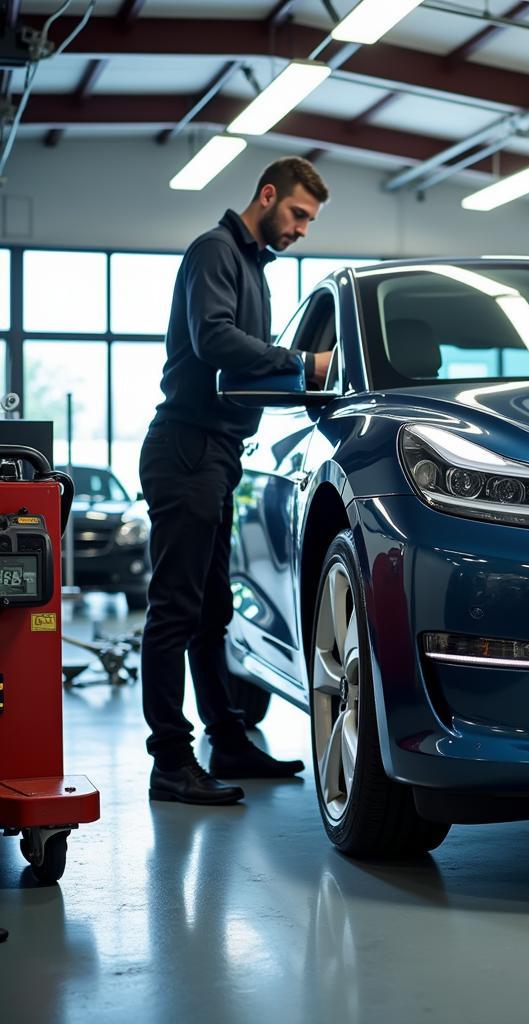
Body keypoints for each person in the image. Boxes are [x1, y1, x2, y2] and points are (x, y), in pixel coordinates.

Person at [140, 157, 332, 805]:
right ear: (268, 195)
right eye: (299, 214)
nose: (303, 229)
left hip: (218, 452)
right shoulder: (215, 253)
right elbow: (214, 340)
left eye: (310, 220)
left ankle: (227, 738)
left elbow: (249, 365)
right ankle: (170, 761)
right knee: (175, 610)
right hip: (186, 448)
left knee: (211, 610)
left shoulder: (253, 270)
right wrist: (305, 363)